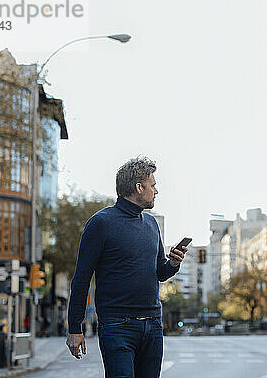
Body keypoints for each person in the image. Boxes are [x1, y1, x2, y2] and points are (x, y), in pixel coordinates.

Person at [66, 157, 187, 378]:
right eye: (153, 185)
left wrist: (173, 264)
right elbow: (82, 279)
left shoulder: (151, 224)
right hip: (117, 326)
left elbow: (160, 272)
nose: (156, 191)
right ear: (139, 188)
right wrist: (75, 328)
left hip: (153, 325)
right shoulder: (101, 223)